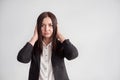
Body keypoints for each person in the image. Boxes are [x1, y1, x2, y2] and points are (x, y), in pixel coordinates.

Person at [17, 11, 78, 80]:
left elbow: (73, 55)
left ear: (55, 26)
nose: (46, 29)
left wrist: (60, 35)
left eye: (50, 25)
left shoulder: (61, 45)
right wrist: (34, 38)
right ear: (38, 27)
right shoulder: (33, 46)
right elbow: (22, 58)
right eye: (42, 25)